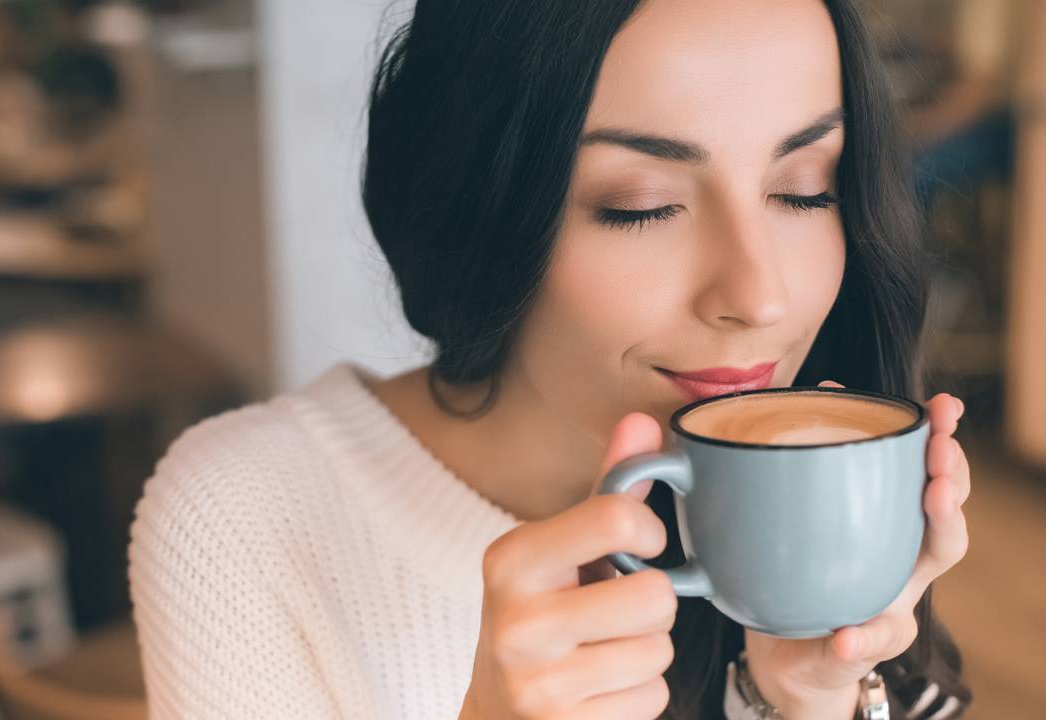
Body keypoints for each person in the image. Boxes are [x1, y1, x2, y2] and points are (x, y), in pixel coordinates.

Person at [128, 1, 975, 718]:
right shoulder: (244, 515)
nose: (759, 298)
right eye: (640, 207)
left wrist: (796, 695)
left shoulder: (840, 508)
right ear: (483, 212)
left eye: (804, 190)